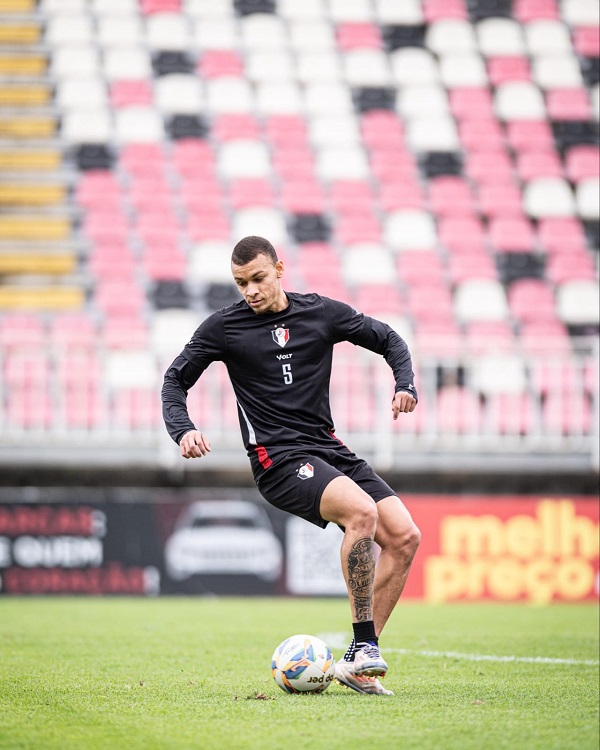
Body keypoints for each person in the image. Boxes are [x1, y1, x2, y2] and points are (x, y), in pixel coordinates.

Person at [161, 235, 421, 696]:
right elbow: (174, 380)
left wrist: (405, 384)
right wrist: (183, 429)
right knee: (362, 512)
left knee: (404, 537)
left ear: (279, 270)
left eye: (258, 278)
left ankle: (357, 662)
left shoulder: (320, 313)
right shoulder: (225, 327)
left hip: (327, 448)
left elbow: (388, 339)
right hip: (277, 460)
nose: (250, 291)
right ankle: (365, 646)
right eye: (241, 283)